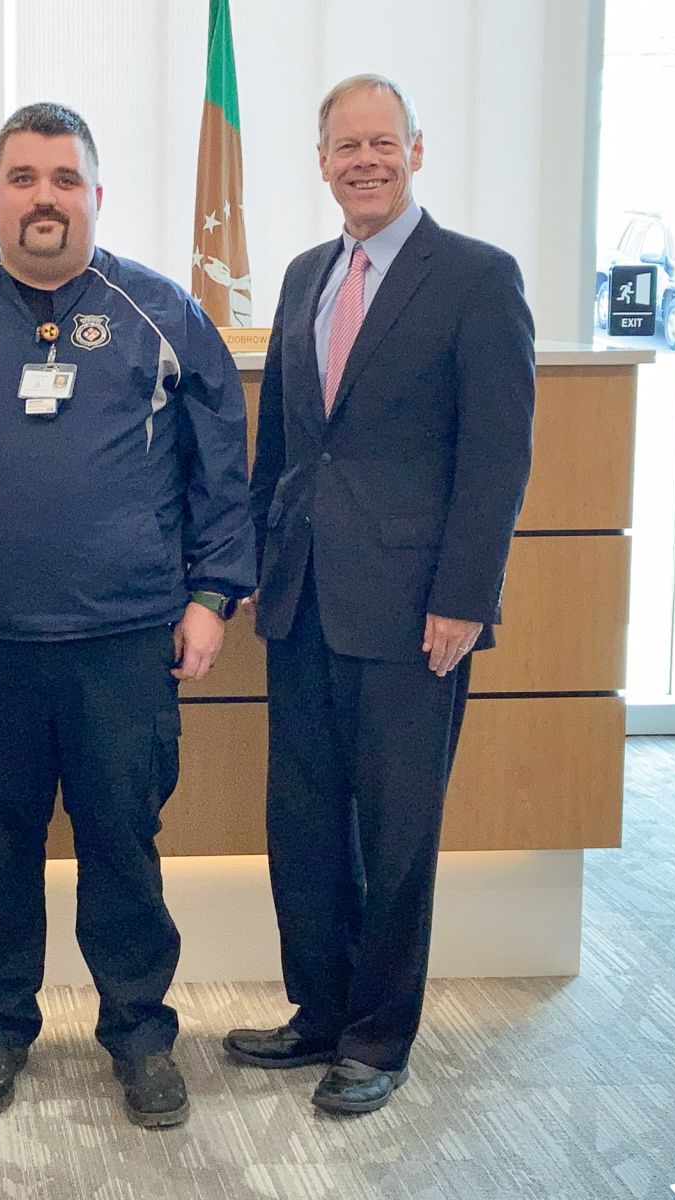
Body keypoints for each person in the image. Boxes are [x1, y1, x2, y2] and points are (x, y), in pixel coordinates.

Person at [0, 102, 255, 1128]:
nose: (44, 197)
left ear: (95, 196)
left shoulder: (161, 311)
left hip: (126, 643)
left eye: (64, 178)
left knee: (124, 843)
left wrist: (212, 596)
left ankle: (139, 1037)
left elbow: (220, 470)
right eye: (24, 177)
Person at [223, 75, 534, 1114]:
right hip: (303, 602)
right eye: (344, 145)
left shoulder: (476, 277)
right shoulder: (309, 273)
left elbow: (497, 454)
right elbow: (286, 445)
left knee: (395, 831)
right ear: (319, 161)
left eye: (381, 142)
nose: (363, 160)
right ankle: (317, 1013)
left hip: (415, 616)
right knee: (303, 823)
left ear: (414, 148)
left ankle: (378, 1038)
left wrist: (465, 597)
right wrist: (260, 574)